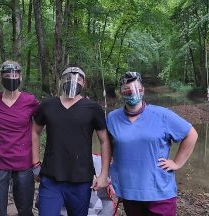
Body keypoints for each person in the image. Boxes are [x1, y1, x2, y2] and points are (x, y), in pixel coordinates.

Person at [106, 72, 198, 216]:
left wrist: (177, 163)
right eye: (127, 89)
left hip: (160, 192)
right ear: (121, 92)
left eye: (135, 88)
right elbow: (107, 147)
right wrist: (107, 175)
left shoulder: (162, 115)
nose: (131, 92)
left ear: (142, 89)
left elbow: (191, 134)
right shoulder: (112, 118)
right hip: (129, 192)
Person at [32, 65, 112, 216]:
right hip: (51, 178)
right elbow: (35, 132)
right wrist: (35, 163)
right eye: (68, 77)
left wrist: (103, 175)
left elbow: (104, 141)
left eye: (78, 78)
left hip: (81, 180)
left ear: (84, 83)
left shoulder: (93, 108)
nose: (73, 81)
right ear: (61, 81)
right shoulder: (48, 106)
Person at [0, 60, 39, 216]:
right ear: (0, 77)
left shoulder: (30, 101)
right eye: (7, 74)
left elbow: (43, 123)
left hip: (24, 162)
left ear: (20, 76)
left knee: (25, 209)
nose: (11, 77)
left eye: (15, 74)